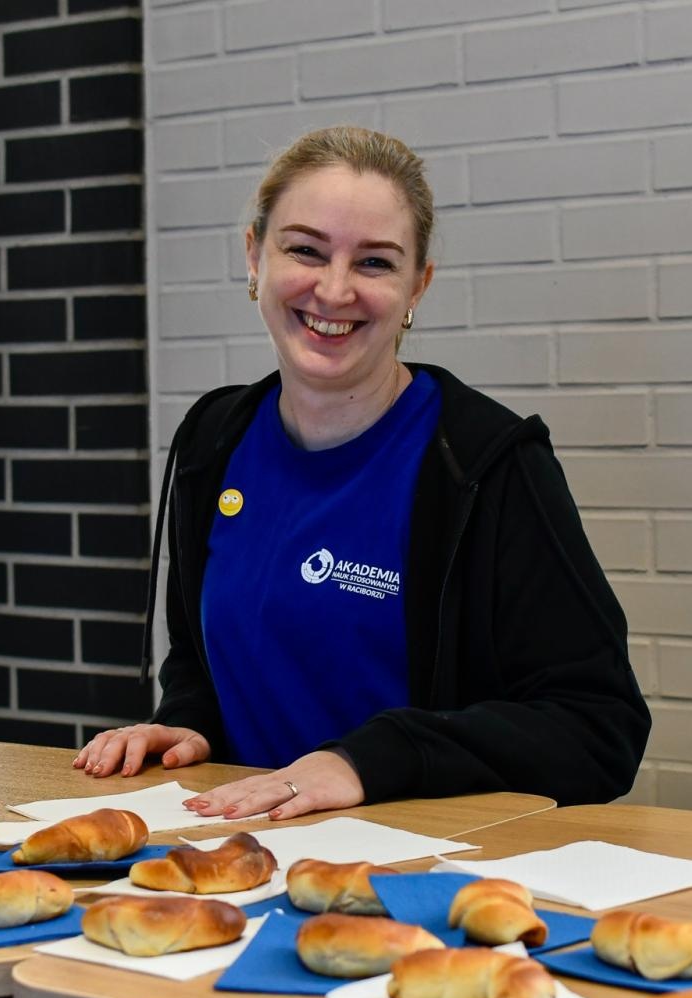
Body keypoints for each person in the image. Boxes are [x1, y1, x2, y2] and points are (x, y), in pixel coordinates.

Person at [75, 126, 649, 821]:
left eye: (375, 263)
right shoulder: (214, 439)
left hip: (418, 881)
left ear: (418, 286)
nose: (334, 289)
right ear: (255, 255)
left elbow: (600, 726)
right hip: (240, 858)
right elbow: (202, 660)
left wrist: (363, 763)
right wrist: (191, 724)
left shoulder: (485, 462)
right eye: (305, 250)